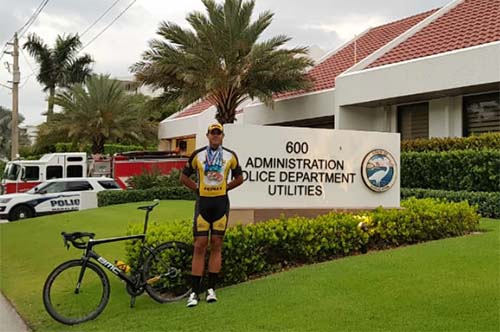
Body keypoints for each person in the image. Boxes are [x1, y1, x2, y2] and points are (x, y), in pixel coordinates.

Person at [180, 123, 244, 307]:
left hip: (221, 204)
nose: (215, 136)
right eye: (212, 133)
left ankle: (211, 289)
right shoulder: (198, 155)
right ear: (207, 135)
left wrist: (225, 188)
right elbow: (183, 177)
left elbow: (240, 178)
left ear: (222, 136)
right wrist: (198, 189)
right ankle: (194, 292)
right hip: (203, 204)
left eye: (218, 133)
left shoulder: (230, 156)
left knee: (216, 244)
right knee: (200, 245)